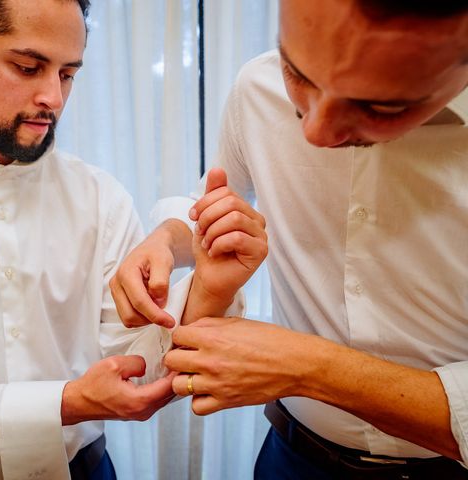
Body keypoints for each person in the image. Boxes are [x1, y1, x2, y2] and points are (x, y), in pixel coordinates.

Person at [0, 0, 263, 479]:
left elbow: (136, 360)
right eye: (28, 67)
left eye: (68, 74)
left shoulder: (101, 197)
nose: (53, 98)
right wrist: (63, 403)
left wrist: (210, 290)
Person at [111, 0, 468, 478]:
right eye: (297, 73)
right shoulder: (256, 88)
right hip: (291, 457)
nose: (315, 132)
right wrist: (167, 237)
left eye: (380, 106)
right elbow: (211, 203)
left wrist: (309, 368)